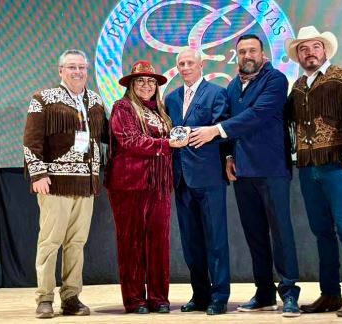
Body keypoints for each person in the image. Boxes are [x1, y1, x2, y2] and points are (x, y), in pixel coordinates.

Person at [190, 34, 301, 317]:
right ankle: (264, 293)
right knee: (255, 235)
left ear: (263, 54)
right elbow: (230, 121)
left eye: (252, 50)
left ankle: (289, 293)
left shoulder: (276, 80)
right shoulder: (232, 86)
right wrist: (228, 156)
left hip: (272, 169)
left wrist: (215, 131)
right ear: (236, 55)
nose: (247, 55)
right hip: (243, 171)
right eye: (242, 51)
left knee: (281, 232)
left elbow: (257, 115)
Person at [285, 25, 342, 317]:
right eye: (304, 49)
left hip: (338, 163)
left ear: (324, 50)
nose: (310, 53)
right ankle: (330, 294)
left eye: (315, 47)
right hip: (308, 166)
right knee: (321, 230)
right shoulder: (297, 87)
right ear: (298, 55)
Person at [23, 49, 107, 319]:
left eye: (82, 67)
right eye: (72, 67)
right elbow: (31, 140)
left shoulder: (95, 101)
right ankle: (45, 298)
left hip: (86, 184)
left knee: (76, 243)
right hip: (55, 184)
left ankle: (71, 297)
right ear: (61, 71)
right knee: (50, 242)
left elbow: (106, 136)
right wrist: (38, 174)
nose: (77, 72)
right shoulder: (43, 99)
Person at [104, 60, 188, 314]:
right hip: (130, 184)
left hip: (159, 185)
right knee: (131, 242)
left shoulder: (161, 111)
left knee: (159, 243)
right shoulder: (123, 108)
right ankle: (134, 299)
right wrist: (166, 145)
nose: (146, 85)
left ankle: (159, 298)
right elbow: (130, 141)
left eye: (151, 81)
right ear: (131, 84)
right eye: (140, 80)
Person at [165, 49, 230, 315]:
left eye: (190, 62)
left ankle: (220, 296)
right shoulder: (171, 98)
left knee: (216, 240)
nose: (185, 67)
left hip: (209, 176)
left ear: (201, 65)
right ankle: (200, 294)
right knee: (191, 242)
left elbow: (224, 131)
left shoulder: (217, 93)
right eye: (181, 63)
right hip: (181, 178)